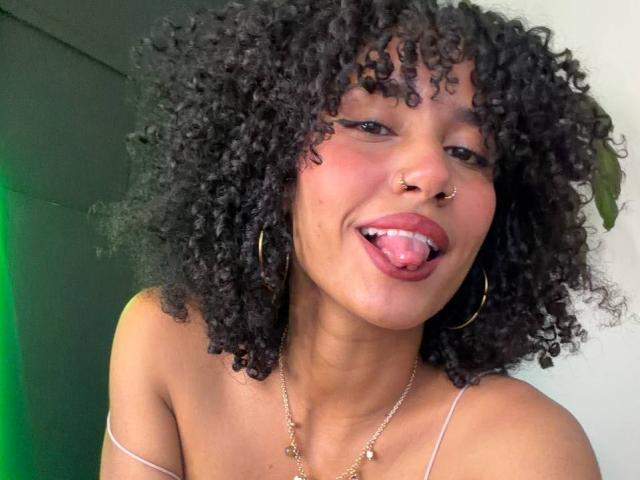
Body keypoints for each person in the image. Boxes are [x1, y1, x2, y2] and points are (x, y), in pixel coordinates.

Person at [97, 0, 625, 478]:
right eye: (371, 125)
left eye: (468, 152)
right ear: (275, 164)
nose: (432, 174)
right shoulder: (166, 346)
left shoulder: (530, 454)